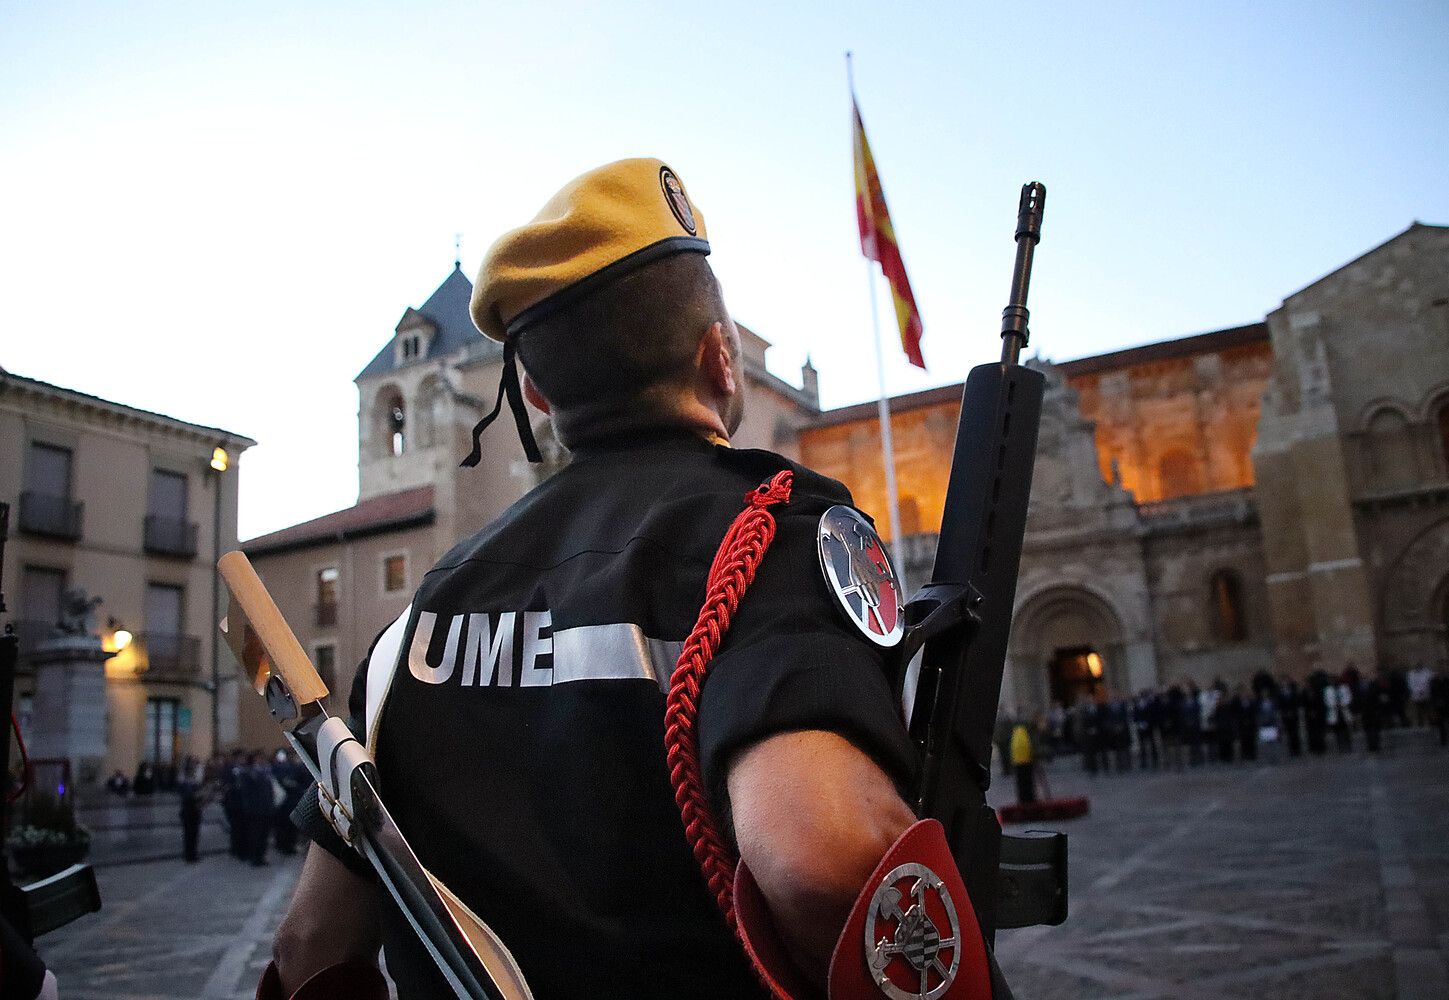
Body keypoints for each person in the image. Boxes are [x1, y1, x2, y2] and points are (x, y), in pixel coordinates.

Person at [266, 160, 997, 1000]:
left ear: (536, 394)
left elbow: (309, 944)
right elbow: (824, 863)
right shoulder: (767, 539)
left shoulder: (419, 621)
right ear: (722, 361)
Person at [179, 757, 206, 863]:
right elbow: (185, 795)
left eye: (194, 765)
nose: (193, 767)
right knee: (188, 833)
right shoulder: (183, 780)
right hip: (187, 809)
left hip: (196, 809)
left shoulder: (196, 780)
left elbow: (200, 793)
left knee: (195, 833)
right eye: (191, 765)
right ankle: (188, 855)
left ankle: (193, 853)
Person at [1430, 667, 1449, 746]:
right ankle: (1443, 740)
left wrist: (1444, 699)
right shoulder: (1434, 682)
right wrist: (1436, 702)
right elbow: (1432, 693)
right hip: (1438, 705)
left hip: (1448, 705)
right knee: (1441, 724)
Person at [1010, 722, 1036, 804]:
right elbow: (1030, 747)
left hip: (1018, 761)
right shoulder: (1026, 733)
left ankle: (1023, 800)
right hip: (1026, 760)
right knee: (1028, 782)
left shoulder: (1016, 733)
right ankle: (1029, 799)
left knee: (1021, 782)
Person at [1408, 662, 1434, 728]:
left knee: (1426, 710)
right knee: (1417, 711)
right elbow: (1411, 685)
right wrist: (1417, 691)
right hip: (1416, 696)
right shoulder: (1411, 674)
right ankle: (1418, 724)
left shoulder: (1427, 673)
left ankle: (1428, 723)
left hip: (1426, 695)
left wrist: (1423, 691)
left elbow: (1428, 683)